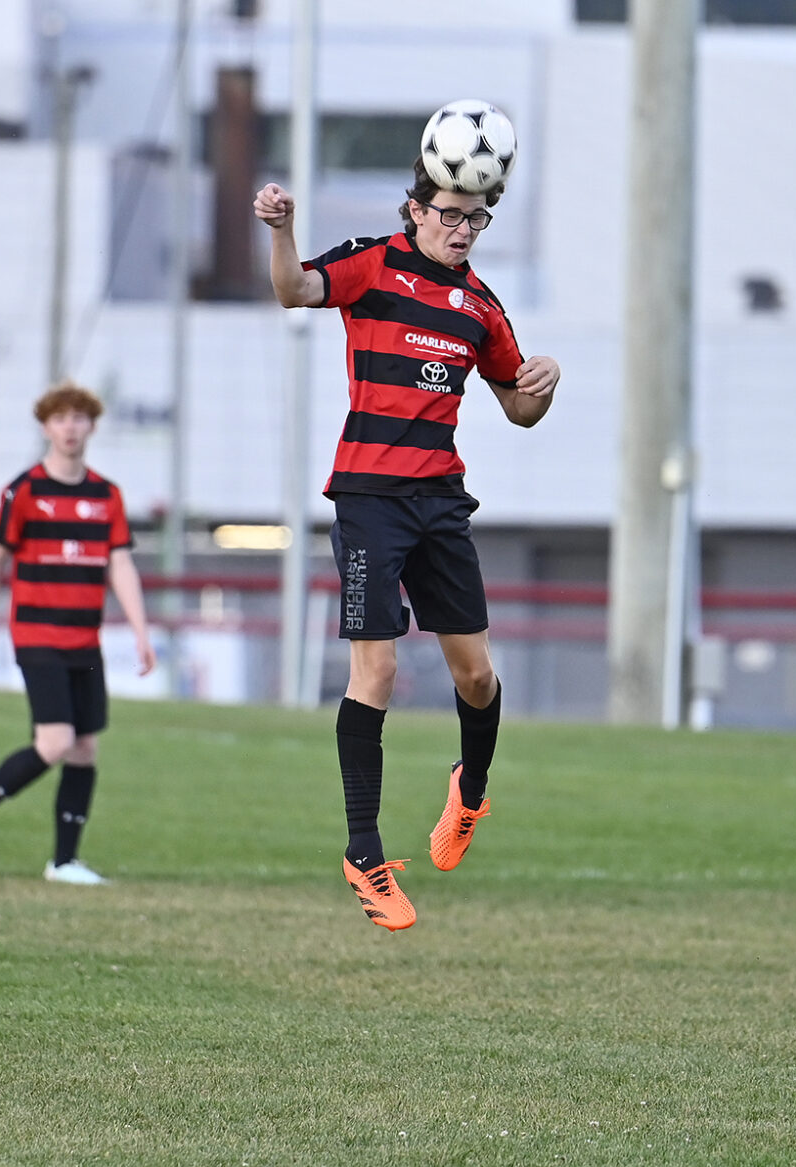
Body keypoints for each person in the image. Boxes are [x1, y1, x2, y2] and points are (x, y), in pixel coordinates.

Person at [254, 158, 559, 933]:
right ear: (416, 211)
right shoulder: (372, 263)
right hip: (368, 499)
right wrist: (283, 231)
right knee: (379, 669)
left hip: (440, 502)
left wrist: (545, 382)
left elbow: (518, 409)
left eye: (476, 218)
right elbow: (294, 291)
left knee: (477, 676)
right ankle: (364, 852)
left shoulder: (479, 304)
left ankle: (470, 789)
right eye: (450, 214)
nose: (463, 230)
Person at [0, 382, 156, 884]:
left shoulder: (106, 495)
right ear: (45, 427)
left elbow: (120, 565)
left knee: (84, 748)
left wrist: (141, 632)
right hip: (38, 635)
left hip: (86, 640)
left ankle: (64, 862)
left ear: (92, 426)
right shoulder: (24, 491)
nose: (70, 428)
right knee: (55, 742)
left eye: (79, 418)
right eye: (60, 419)